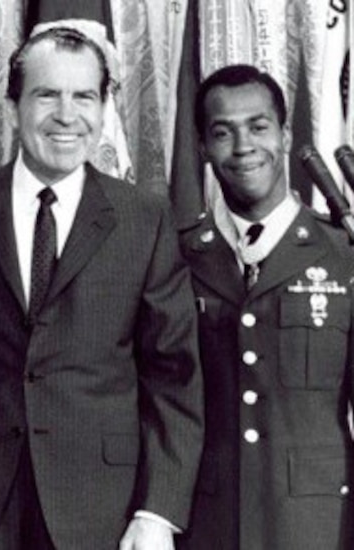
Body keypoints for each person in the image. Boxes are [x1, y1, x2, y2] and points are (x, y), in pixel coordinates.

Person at [0, 25, 203, 550]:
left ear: (104, 107)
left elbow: (175, 376)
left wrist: (158, 512)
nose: (66, 115)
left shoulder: (143, 218)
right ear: (13, 106)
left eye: (84, 96)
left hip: (102, 508)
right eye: (47, 94)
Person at [177, 64, 354, 549]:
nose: (243, 147)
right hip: (209, 523)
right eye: (222, 132)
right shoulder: (176, 257)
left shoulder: (342, 253)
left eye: (258, 127)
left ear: (284, 134)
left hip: (319, 525)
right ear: (201, 147)